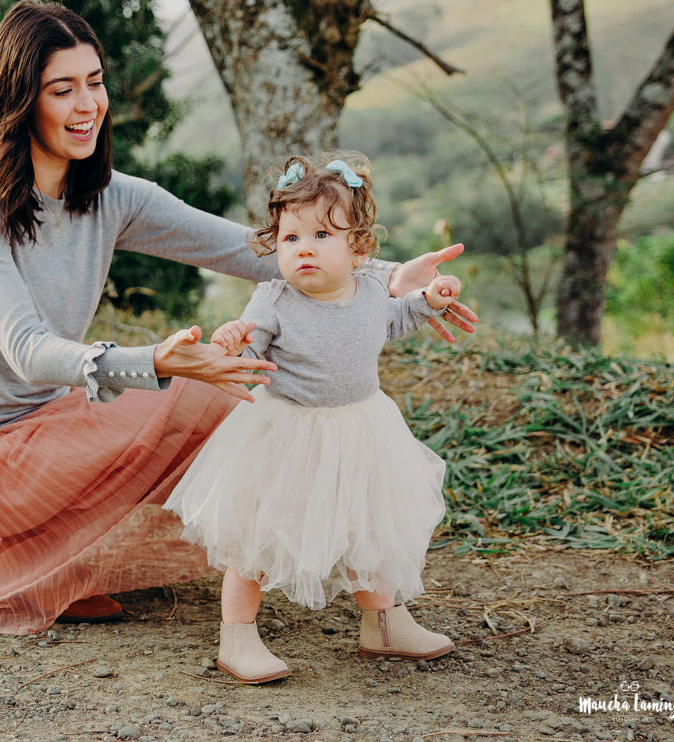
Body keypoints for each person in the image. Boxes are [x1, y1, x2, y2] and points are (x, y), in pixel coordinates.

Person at [0, 0, 477, 635]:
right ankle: (49, 565)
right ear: (19, 101)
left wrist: (387, 277)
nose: (87, 105)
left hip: (56, 430)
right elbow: (28, 350)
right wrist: (154, 362)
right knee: (215, 390)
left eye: (95, 82)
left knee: (244, 391)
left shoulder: (109, 195)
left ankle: (71, 560)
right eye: (62, 89)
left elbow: (257, 250)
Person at [163, 153, 459, 684]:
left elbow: (396, 319)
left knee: (367, 526)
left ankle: (384, 625)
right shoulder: (272, 299)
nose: (303, 248)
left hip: (361, 430)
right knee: (256, 537)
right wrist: (232, 339)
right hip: (286, 434)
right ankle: (238, 637)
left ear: (358, 247)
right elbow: (249, 342)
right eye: (291, 238)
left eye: (322, 235)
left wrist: (430, 300)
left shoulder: (372, 290)